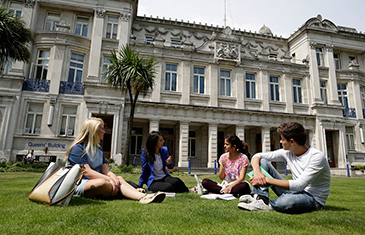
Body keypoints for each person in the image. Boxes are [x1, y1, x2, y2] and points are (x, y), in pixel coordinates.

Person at [64, 117, 165, 204]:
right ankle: (129, 192)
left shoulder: (98, 149)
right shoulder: (78, 148)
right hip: (80, 183)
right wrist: (109, 179)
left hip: (97, 180)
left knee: (119, 178)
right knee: (103, 183)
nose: (104, 131)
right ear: (93, 131)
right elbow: (88, 172)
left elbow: (106, 170)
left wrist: (113, 178)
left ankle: (143, 197)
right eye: (102, 129)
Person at [238, 122, 331, 214]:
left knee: (287, 201)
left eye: (282, 139)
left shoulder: (317, 157)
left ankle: (268, 204)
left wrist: (265, 179)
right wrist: (258, 173)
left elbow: (299, 185)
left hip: (312, 198)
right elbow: (257, 156)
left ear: (292, 142)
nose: (280, 141)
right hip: (293, 191)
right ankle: (259, 197)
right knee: (262, 162)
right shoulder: (287, 152)